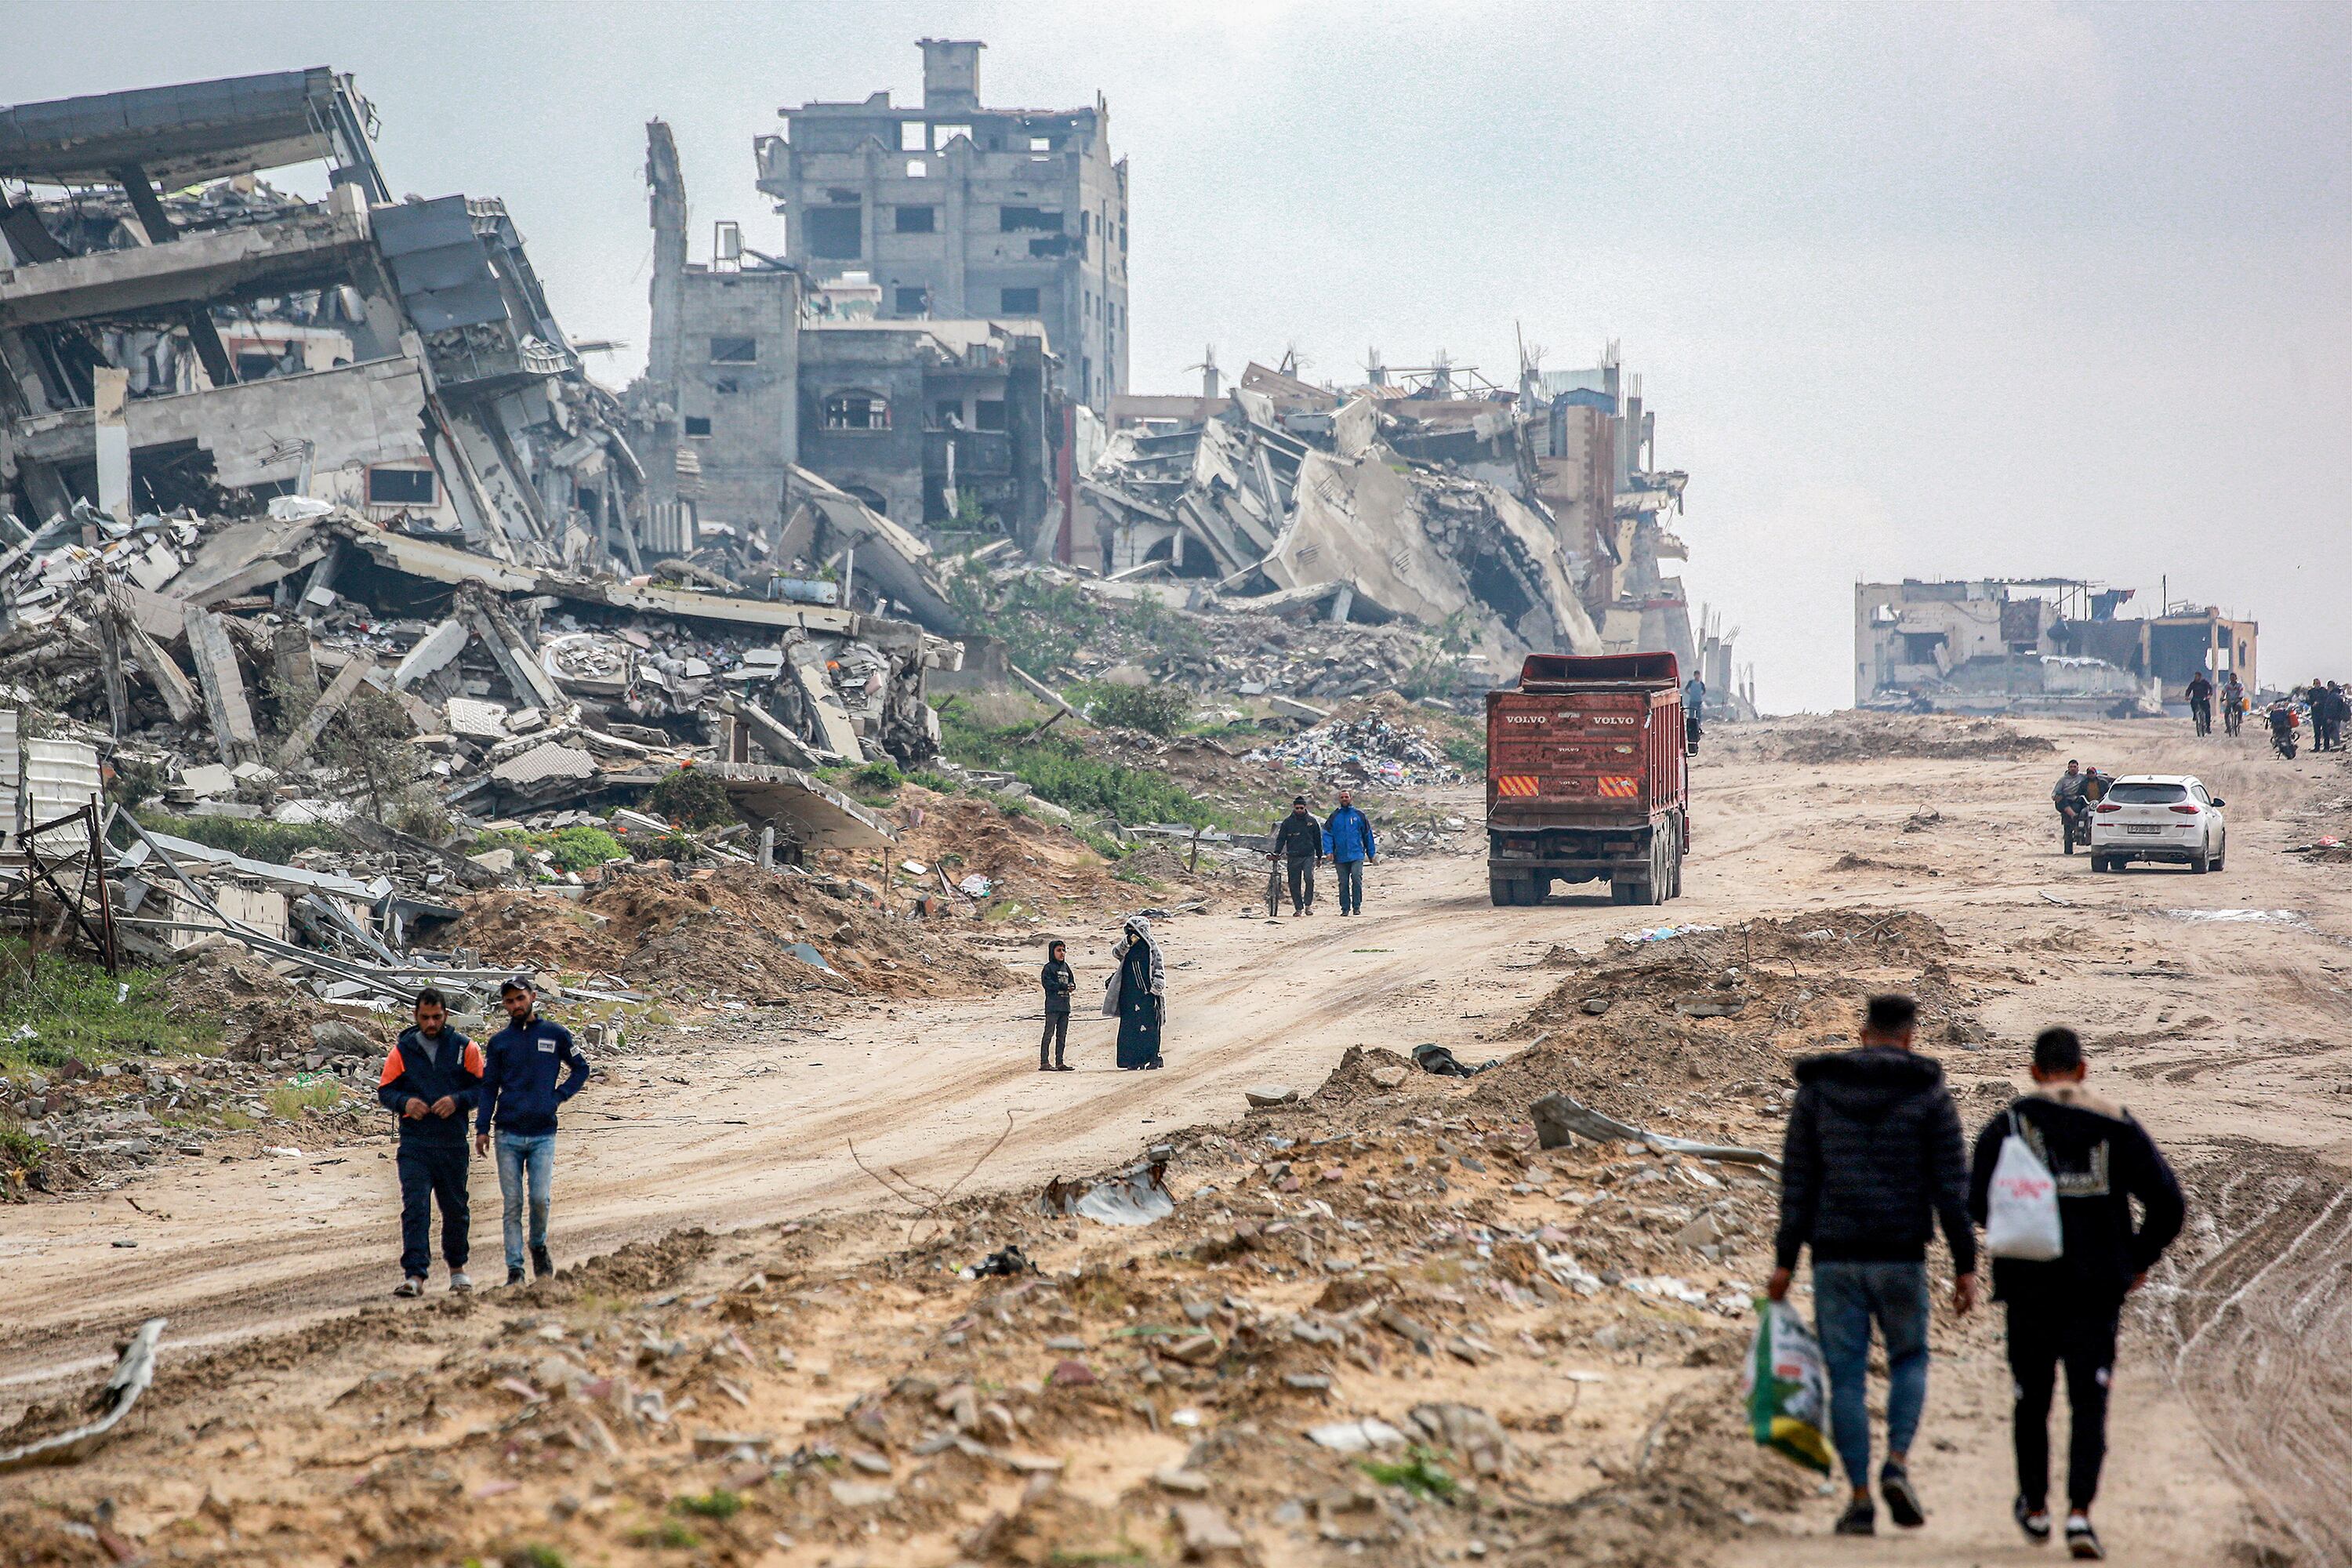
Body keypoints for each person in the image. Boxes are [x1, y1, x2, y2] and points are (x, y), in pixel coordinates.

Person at [1969, 1027, 2183, 1561]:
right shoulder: (2116, 1123)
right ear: (2083, 1070)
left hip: (2029, 1286)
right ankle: (2081, 1514)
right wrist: (2137, 1259)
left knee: (2030, 1399)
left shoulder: (2009, 1124)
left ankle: (2035, 1507)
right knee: (2090, 1403)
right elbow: (2168, 1204)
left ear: (2034, 1070)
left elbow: (1975, 1201)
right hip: (2095, 1289)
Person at [1770, 993, 1977, 1538]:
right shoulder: (1929, 1094)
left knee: (1845, 1378)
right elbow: (1952, 1189)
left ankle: (1859, 1498)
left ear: (1863, 1034)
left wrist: (1785, 1262)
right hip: (1901, 1254)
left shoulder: (1817, 1093)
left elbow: (1798, 1183)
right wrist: (1965, 1264)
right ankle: (1899, 1463)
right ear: (1909, 1038)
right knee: (1909, 1358)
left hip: (1835, 1256)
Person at [475, 976, 590, 1286]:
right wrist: (482, 1127)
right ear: (504, 1004)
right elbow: (488, 1087)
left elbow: (581, 1068)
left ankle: (538, 1245)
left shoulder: (555, 1034)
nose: (516, 1005)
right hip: (508, 1133)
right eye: (510, 1001)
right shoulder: (499, 1043)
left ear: (533, 997)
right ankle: (515, 1269)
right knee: (512, 1203)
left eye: (521, 998)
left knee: (539, 1198)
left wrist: (559, 1095)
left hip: (543, 1133)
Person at [376, 989, 481, 1298]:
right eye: (425, 1018)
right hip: (415, 1145)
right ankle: (415, 1277)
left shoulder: (465, 1049)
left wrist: (457, 1100)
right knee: (416, 1209)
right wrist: (406, 1103)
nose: (431, 1023)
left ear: (446, 1016)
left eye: (437, 1017)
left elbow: (482, 1088)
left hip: (451, 1143)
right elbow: (386, 1091)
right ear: (416, 1016)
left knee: (455, 1209)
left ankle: (458, 1270)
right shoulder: (403, 1051)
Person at [1102, 916, 1164, 1070]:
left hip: (1147, 995)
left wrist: (1155, 989)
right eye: (1129, 931)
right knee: (1130, 1028)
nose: (1132, 934)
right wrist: (1127, 942)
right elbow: (1116, 953)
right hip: (1129, 994)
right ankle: (1134, 1060)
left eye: (1134, 931)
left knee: (1149, 1027)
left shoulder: (1152, 949)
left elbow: (1159, 969)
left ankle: (1153, 1058)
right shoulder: (1128, 947)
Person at [1322, 788, 1377, 917]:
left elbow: (1367, 835)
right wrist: (1329, 851)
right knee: (1343, 882)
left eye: (1346, 797)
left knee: (1356, 879)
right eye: (1342, 797)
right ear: (1339, 800)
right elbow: (1327, 834)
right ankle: (1345, 908)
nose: (1344, 799)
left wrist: (1371, 853)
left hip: (1357, 854)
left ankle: (1356, 906)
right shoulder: (1334, 817)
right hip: (1340, 856)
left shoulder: (1359, 815)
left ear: (1351, 799)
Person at [1271, 796, 1323, 917]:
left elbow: (1317, 840)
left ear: (1305, 807)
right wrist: (1277, 852)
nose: (1299, 810)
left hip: (1308, 855)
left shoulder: (1312, 822)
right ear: (1294, 808)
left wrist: (1319, 856)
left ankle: (1308, 905)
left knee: (1309, 878)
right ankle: (1298, 908)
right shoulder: (1287, 822)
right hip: (1293, 856)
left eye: (1301, 808)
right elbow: (1281, 839)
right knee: (1294, 883)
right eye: (1297, 808)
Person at [1038, 940, 1076, 1072]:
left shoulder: (1066, 967)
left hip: (1065, 1006)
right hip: (1053, 1007)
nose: (1062, 953)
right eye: (1059, 950)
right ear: (1052, 952)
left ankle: (1060, 1062)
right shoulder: (1048, 968)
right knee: (1049, 1034)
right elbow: (1048, 984)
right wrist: (1063, 986)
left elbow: (1072, 981)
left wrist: (1071, 986)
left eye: (1063, 950)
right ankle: (1044, 1062)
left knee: (1062, 1036)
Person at [2183, 670, 2212, 736]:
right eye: (2195, 676)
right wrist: (2187, 696)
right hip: (2196, 698)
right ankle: (2195, 715)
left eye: (2197, 676)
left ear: (2200, 677)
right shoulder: (2193, 683)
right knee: (2193, 703)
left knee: (2207, 712)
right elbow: (2188, 690)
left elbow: (2210, 689)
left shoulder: (2205, 683)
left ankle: (2208, 727)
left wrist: (2209, 695)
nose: (2195, 678)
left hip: (2204, 698)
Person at [1682, 672, 1707, 752]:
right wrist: (1691, 694)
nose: (1697, 676)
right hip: (1692, 700)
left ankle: (1698, 727)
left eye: (1698, 675)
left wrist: (1699, 695)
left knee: (1699, 715)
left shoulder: (1701, 683)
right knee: (1691, 715)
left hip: (1699, 701)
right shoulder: (1691, 682)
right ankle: (1690, 728)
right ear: (1694, 675)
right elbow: (1686, 689)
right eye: (1696, 675)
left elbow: (1704, 691)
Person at [2220, 671, 2245, 736]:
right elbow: (2223, 692)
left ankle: (2239, 720)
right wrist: (2222, 698)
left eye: (2233, 677)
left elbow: (2241, 692)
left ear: (2236, 678)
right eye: (2231, 678)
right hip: (2230, 701)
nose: (2232, 679)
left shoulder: (2239, 685)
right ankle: (2228, 728)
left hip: (2237, 701)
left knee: (2239, 707)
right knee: (2226, 714)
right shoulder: (2227, 686)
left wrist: (2240, 697)